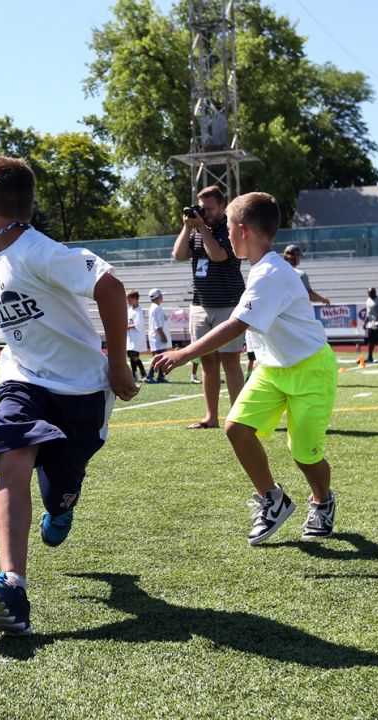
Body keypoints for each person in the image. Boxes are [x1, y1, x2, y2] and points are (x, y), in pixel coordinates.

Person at [0, 157, 139, 636]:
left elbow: (111, 286)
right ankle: (13, 587)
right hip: (22, 380)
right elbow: (5, 314)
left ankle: (61, 508)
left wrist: (118, 362)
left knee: (60, 492)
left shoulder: (39, 251)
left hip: (80, 390)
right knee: (12, 454)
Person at [152, 192, 338, 546]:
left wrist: (185, 353)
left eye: (227, 227)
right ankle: (273, 498)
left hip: (310, 370)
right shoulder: (260, 269)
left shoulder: (269, 273)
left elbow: (237, 325)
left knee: (304, 455)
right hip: (272, 368)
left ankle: (322, 501)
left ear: (240, 230)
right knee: (236, 428)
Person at [172, 185, 246, 429]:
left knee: (230, 361)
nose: (204, 212)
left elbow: (217, 256)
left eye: (209, 208)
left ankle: (240, 417)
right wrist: (187, 226)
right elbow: (178, 254)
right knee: (207, 362)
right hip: (200, 305)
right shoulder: (196, 229)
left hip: (227, 305)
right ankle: (211, 417)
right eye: (201, 208)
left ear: (223, 206)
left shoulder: (230, 228)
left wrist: (202, 228)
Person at [144, 288, 170, 383]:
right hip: (158, 336)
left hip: (156, 336)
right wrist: (163, 336)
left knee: (160, 356)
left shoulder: (154, 307)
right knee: (159, 357)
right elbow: (158, 325)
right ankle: (149, 375)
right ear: (158, 297)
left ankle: (160, 375)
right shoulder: (156, 308)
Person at [125, 290, 147, 382]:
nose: (128, 302)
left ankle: (143, 374)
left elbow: (138, 324)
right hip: (130, 337)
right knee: (131, 356)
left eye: (129, 300)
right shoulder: (129, 310)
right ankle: (134, 375)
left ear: (135, 299)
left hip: (136, 337)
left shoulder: (139, 311)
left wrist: (127, 326)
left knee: (135, 356)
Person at [364, 288, 378, 363]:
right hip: (371, 325)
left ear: (374, 292)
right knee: (370, 342)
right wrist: (365, 323)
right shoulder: (368, 300)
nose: (369, 294)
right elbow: (368, 314)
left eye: (371, 293)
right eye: (369, 293)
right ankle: (370, 357)